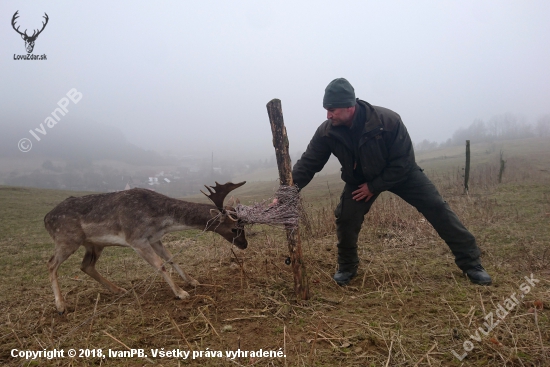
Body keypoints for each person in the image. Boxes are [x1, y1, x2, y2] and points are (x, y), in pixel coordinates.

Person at [291, 78, 492, 286]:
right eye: (326, 109)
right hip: (359, 179)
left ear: (349, 106)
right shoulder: (327, 131)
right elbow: (308, 163)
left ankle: (472, 264)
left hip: (400, 174)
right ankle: (347, 266)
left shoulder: (388, 121)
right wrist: (286, 193)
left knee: (437, 208)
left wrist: (374, 186)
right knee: (346, 218)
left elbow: (404, 162)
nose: (328, 115)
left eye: (332, 109)